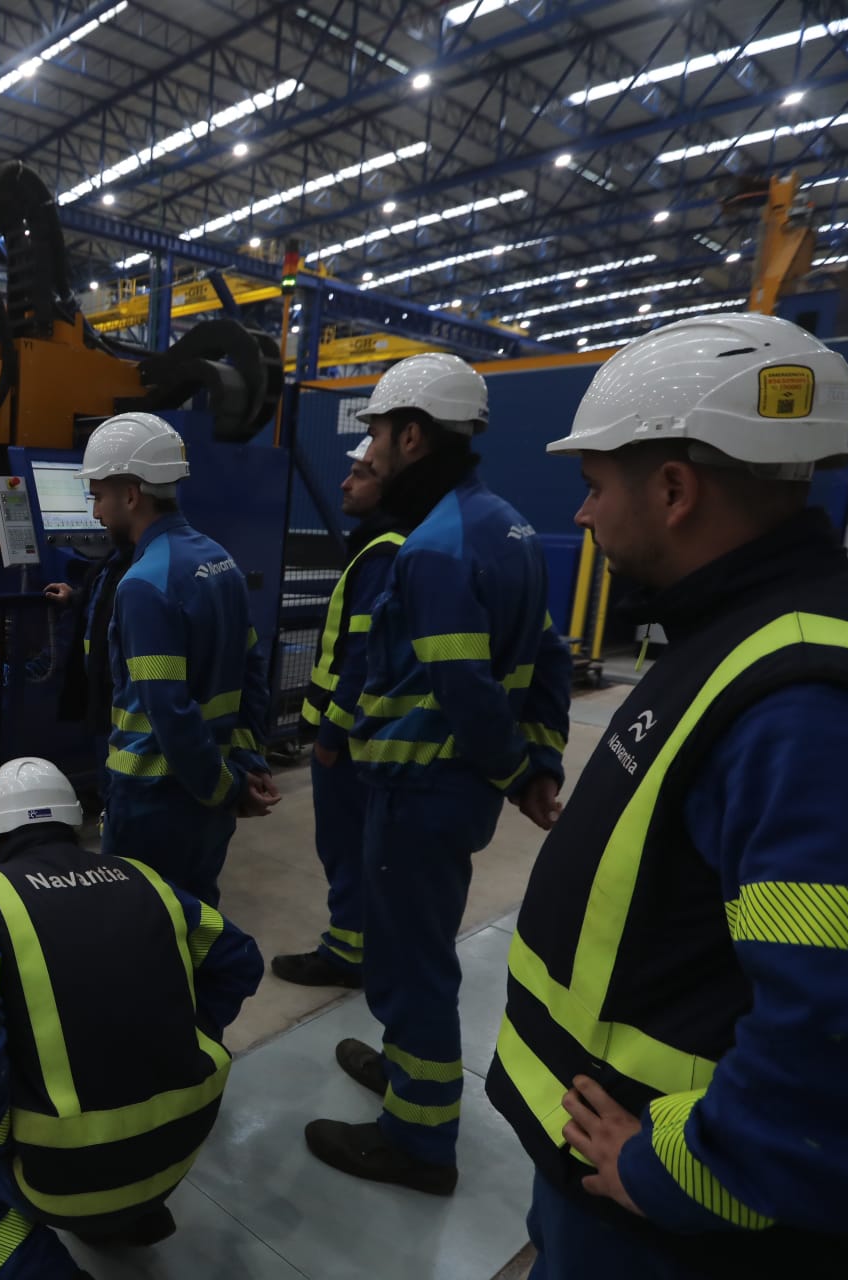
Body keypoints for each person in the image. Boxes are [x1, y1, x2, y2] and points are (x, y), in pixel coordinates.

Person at [487, 313, 848, 1277]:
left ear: (672, 490)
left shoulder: (807, 706)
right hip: (607, 1181)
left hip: (667, 1226)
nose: (579, 516)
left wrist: (686, 1174)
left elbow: (838, 1028)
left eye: (592, 487)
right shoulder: (742, 633)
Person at [304, 351, 572, 1194]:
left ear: (412, 437)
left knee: (410, 959)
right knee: (416, 948)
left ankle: (417, 1143)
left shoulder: (433, 549)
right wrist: (537, 762)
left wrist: (508, 767)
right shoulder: (506, 524)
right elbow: (549, 655)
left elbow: (461, 686)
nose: (370, 452)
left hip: (422, 790)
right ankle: (407, 1073)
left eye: (377, 434)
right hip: (450, 792)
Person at [0, 757, 264, 1280]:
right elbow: (240, 960)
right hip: (182, 1145)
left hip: (63, 1171)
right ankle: (126, 1218)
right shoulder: (143, 878)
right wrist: (188, 1037)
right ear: (75, 825)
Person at [78, 411, 278, 906]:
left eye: (100, 496)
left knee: (141, 935)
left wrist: (223, 789)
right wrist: (246, 765)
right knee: (197, 920)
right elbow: (253, 671)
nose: (98, 513)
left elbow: (168, 709)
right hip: (209, 792)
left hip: (155, 800)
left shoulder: (145, 583)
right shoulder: (220, 561)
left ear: (131, 494)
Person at [272, 436, 407, 989]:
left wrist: (330, 733)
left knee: (346, 845)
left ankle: (346, 952)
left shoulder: (383, 552)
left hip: (349, 741)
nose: (346, 483)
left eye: (360, 474)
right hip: (363, 734)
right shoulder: (388, 544)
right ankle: (366, 943)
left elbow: (360, 654)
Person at [43, 546, 126, 795]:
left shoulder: (139, 567)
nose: (96, 514)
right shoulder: (115, 561)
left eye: (99, 503)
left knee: (119, 790)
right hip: (103, 699)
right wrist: (75, 597)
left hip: (121, 706)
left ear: (132, 503)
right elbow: (103, 601)